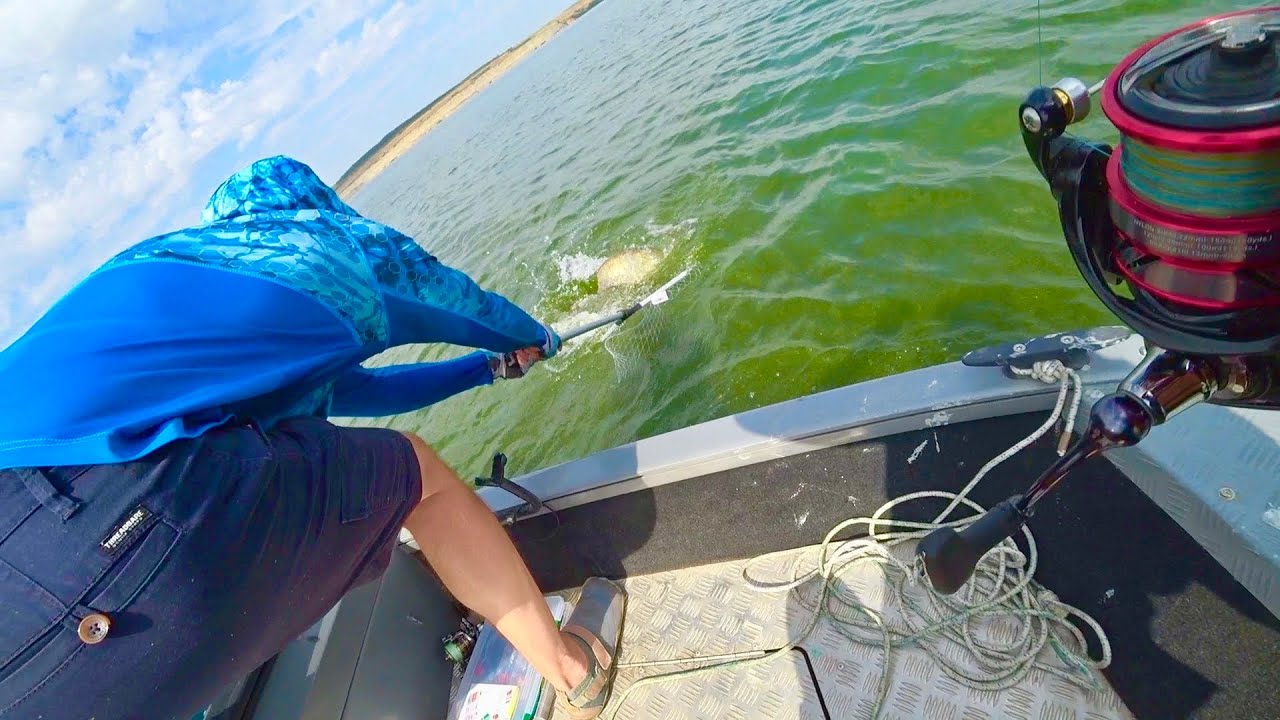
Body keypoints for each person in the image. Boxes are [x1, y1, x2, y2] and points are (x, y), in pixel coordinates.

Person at [0, 156, 625, 719]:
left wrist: (488, 369)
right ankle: (572, 669)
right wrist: (535, 336)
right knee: (420, 478)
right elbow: (462, 304)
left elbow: (369, 392)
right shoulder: (307, 243)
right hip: (106, 500)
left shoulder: (187, 300)